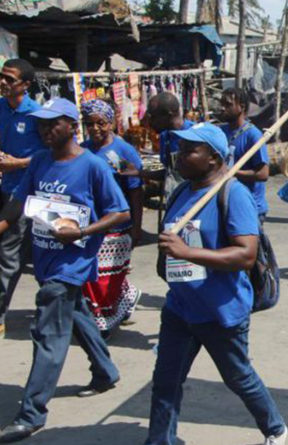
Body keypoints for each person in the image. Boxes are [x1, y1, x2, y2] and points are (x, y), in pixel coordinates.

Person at [148, 123, 287, 445]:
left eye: (188, 151)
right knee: (166, 381)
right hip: (180, 309)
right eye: (180, 149)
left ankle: (275, 428)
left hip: (220, 311)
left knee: (238, 377)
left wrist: (187, 252)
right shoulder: (183, 190)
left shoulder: (233, 194)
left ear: (212, 157)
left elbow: (246, 255)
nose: (179, 157)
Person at [0, 98, 129, 443]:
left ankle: (31, 414)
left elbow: (120, 212)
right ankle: (105, 371)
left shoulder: (92, 166)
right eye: (41, 125)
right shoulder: (40, 161)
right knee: (75, 313)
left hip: (72, 261)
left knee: (48, 333)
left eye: (52, 124)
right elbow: (19, 202)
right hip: (44, 258)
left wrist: (83, 232)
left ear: (72, 126)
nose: (45, 130)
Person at [79, 99, 144, 336]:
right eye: (90, 124)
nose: (96, 129)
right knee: (98, 274)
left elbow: (135, 190)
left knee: (107, 278)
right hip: (94, 223)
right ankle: (123, 299)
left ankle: (105, 320)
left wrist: (137, 227)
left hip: (118, 223)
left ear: (111, 123)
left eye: (101, 123)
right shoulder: (83, 150)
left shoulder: (122, 151)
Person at [0, 58, 47, 338]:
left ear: (26, 85)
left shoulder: (37, 115)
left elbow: (49, 155)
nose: (3, 82)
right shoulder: (0, 108)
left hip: (24, 193)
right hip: (3, 187)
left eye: (9, 79)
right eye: (1, 76)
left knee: (9, 254)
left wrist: (17, 164)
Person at [218, 87, 270, 221]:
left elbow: (263, 174)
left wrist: (231, 173)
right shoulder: (221, 132)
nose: (223, 108)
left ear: (241, 107)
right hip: (227, 203)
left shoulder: (253, 135)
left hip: (250, 207)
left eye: (228, 104)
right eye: (222, 104)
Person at [142, 92, 195, 200]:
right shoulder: (165, 137)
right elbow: (169, 172)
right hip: (174, 200)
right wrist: (139, 173)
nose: (150, 122)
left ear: (169, 115)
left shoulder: (194, 135)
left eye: (153, 117)